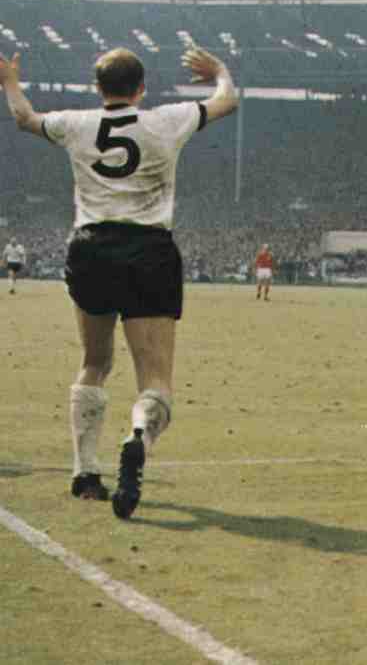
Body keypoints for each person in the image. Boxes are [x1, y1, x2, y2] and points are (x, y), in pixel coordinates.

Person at [2, 46, 238, 519]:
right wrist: (220, 72)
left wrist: (9, 79)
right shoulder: (167, 120)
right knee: (155, 378)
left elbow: (25, 118)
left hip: (90, 247)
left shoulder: (75, 123)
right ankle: (138, 436)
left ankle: (85, 472)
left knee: (94, 362)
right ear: (142, 88)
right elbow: (227, 100)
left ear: (98, 88)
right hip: (149, 250)